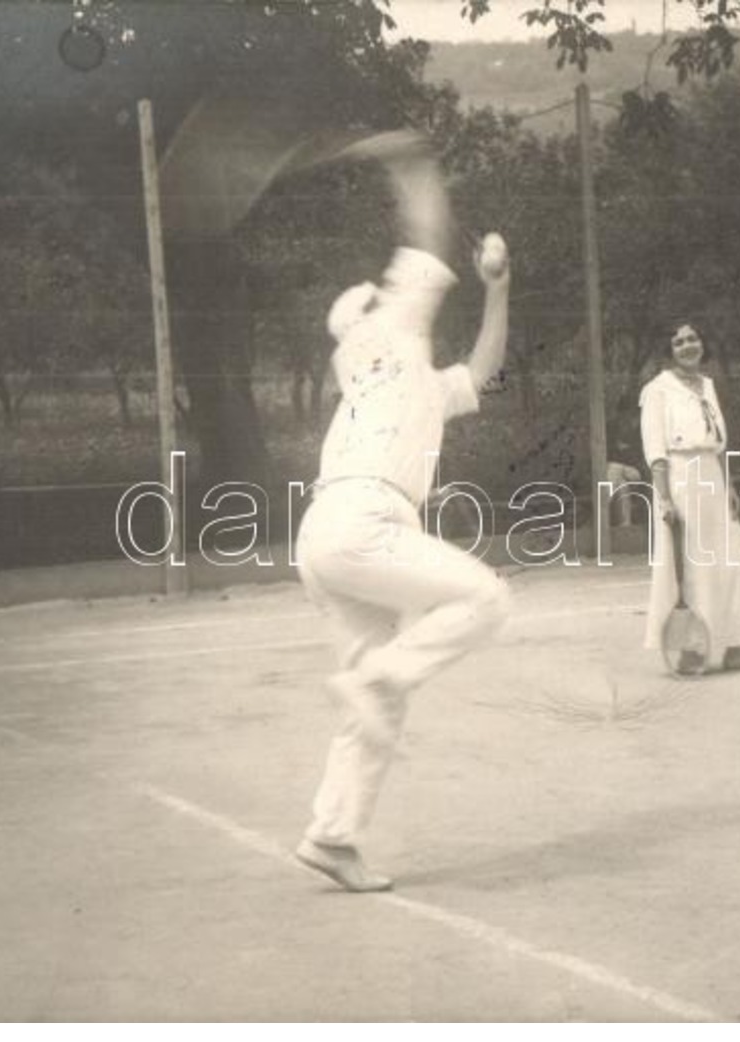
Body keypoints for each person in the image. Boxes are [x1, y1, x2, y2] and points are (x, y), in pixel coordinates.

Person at [292, 131, 512, 893]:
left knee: (376, 704)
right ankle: (380, 674)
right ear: (368, 313)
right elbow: (423, 230)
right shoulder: (388, 331)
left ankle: (333, 836)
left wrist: (497, 287)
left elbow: (480, 371)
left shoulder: (396, 372)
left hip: (325, 537)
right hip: (365, 521)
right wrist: (412, 162)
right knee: (485, 597)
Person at [640, 321, 740, 672]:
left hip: (713, 480)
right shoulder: (657, 390)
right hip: (681, 483)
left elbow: (717, 443)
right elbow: (656, 451)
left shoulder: (709, 385)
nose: (688, 346)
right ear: (669, 351)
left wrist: (728, 485)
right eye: (679, 341)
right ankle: (691, 651)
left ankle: (739, 646)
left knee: (733, 560)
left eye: (693, 339)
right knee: (693, 567)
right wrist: (665, 499)